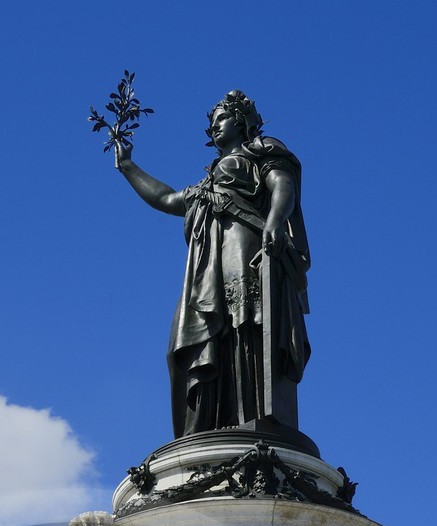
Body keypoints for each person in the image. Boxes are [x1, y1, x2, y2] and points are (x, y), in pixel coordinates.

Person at [115, 88, 310, 439]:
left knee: (244, 321)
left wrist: (275, 221)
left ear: (242, 119)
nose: (214, 128)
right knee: (196, 337)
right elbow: (168, 198)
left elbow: (282, 184)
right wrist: (128, 166)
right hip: (206, 266)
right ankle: (207, 424)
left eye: (220, 119)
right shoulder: (206, 184)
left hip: (244, 243)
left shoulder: (260, 150)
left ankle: (252, 416)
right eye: (211, 124)